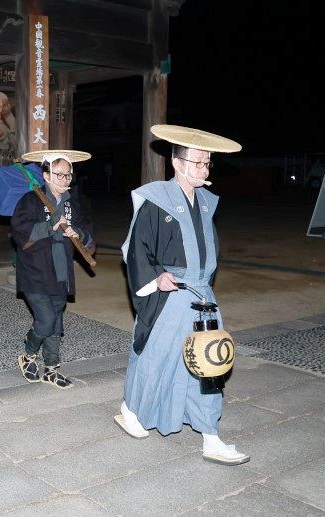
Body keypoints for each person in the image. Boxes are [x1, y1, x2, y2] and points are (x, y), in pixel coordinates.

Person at [116, 124, 250, 466]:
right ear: (177, 163)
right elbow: (136, 248)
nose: (204, 169)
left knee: (208, 363)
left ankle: (211, 437)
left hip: (202, 296)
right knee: (156, 357)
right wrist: (155, 278)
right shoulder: (156, 198)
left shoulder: (205, 202)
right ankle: (131, 410)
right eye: (198, 162)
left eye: (208, 163)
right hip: (170, 297)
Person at [11, 150, 95, 389]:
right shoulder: (30, 201)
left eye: (68, 175)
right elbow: (20, 233)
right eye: (59, 175)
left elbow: (87, 232)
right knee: (46, 320)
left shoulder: (72, 204)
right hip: (35, 270)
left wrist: (80, 234)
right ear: (46, 175)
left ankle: (51, 368)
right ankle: (28, 353)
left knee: (56, 322)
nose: (65, 180)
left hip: (61, 269)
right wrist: (50, 226)